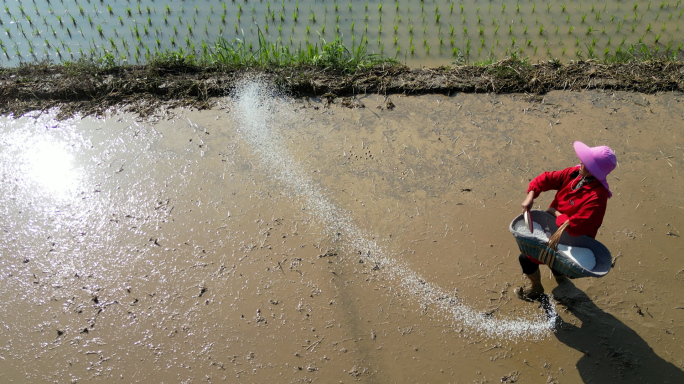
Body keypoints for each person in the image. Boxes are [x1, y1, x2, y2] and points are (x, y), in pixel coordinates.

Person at [515, 141, 617, 301]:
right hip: (554, 228)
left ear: (593, 171)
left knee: (527, 258)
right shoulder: (574, 173)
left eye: (586, 162)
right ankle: (556, 281)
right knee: (552, 261)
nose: (581, 161)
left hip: (573, 240)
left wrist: (554, 212)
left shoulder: (597, 197)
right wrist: (531, 195)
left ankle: (538, 288)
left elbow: (577, 226)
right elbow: (547, 179)